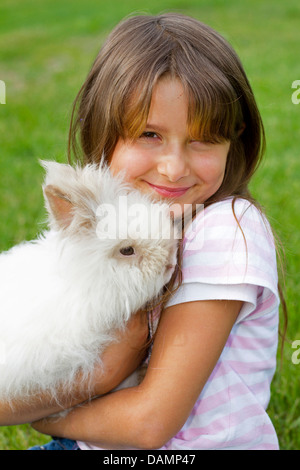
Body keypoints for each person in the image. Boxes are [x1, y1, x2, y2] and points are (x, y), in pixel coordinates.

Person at [0, 13, 285, 450]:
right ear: (105, 134)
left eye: (202, 139)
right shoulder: (133, 220)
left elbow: (148, 425)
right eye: (149, 134)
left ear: (236, 138)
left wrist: (50, 420)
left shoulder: (224, 229)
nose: (173, 168)